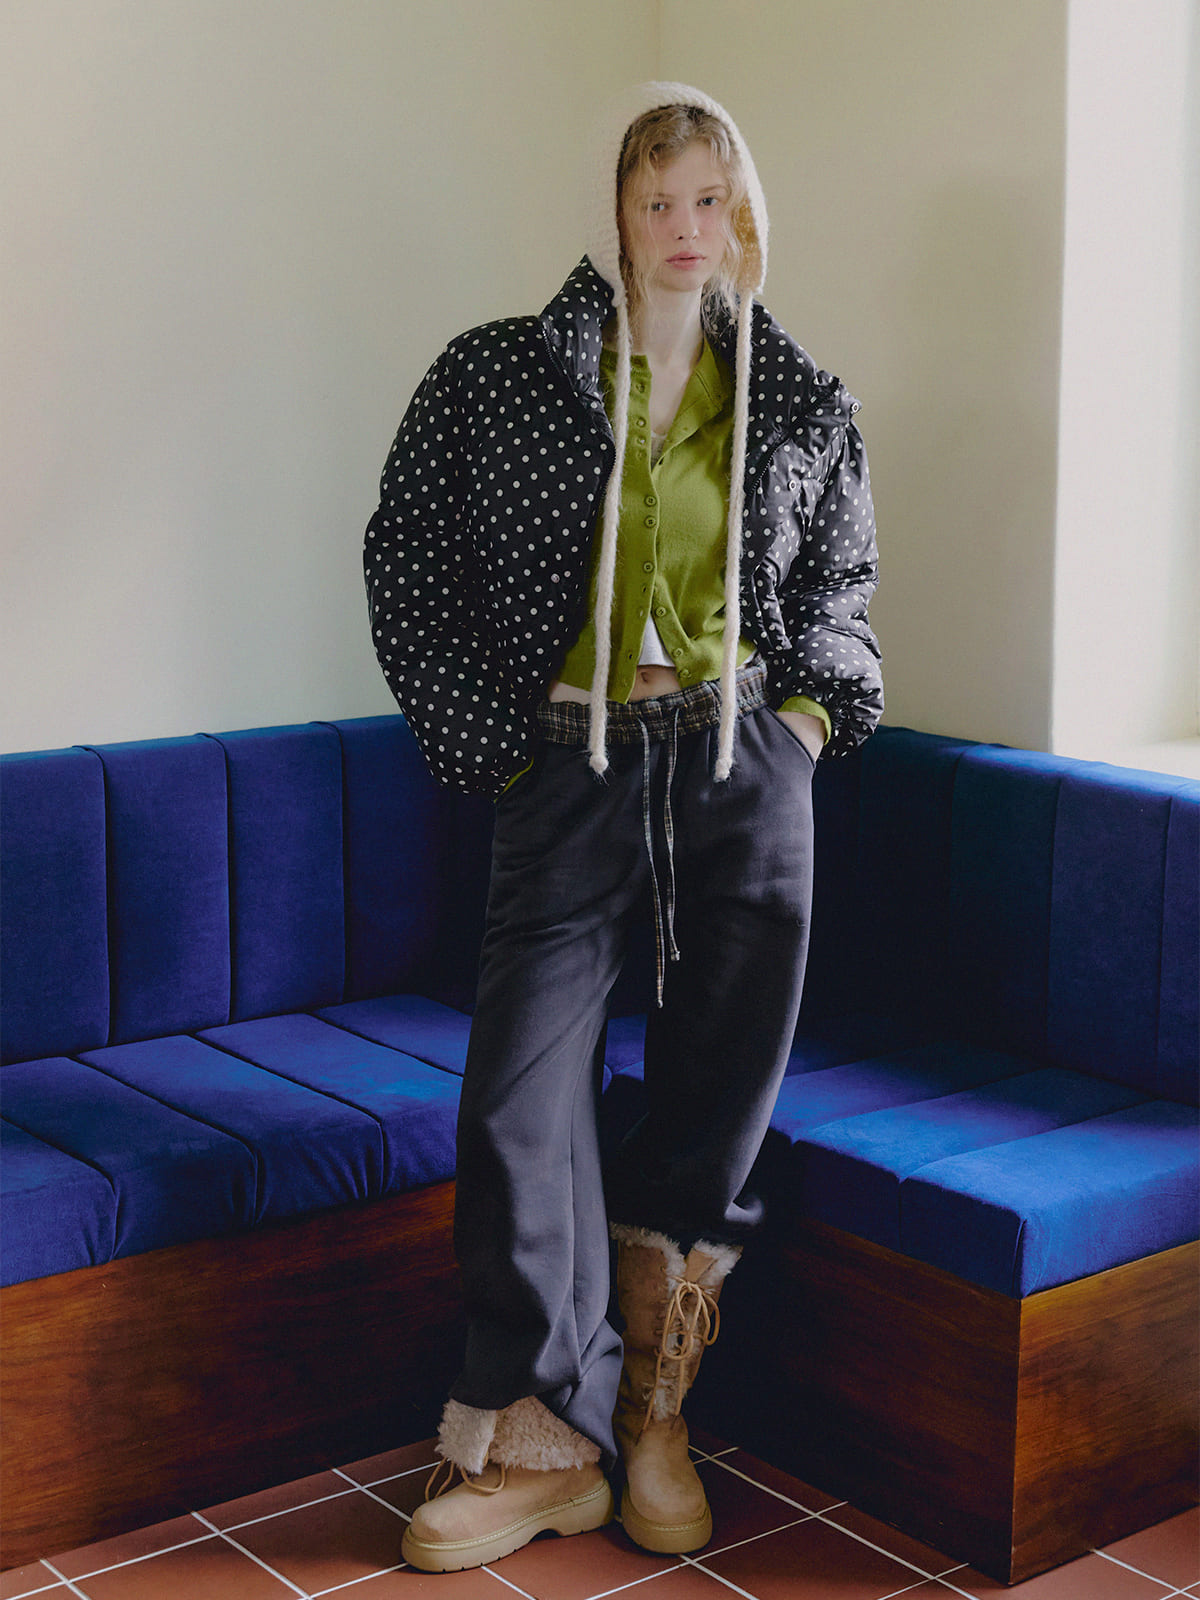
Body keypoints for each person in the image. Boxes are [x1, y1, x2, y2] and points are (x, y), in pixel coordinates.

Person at [364, 81, 882, 1575]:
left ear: (745, 215)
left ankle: (653, 1414)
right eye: (658, 198)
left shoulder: (803, 400)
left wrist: (800, 735)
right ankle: (539, 1442)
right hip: (569, 769)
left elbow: (841, 589)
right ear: (616, 213)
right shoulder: (497, 378)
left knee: (716, 1090)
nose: (684, 225)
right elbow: (405, 558)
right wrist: (492, 744)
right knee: (518, 1103)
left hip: (739, 767)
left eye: (710, 197)